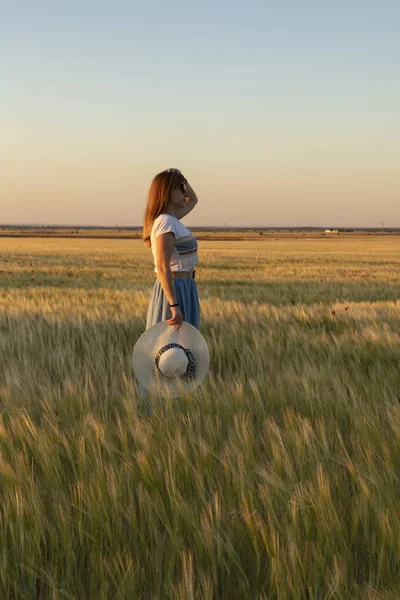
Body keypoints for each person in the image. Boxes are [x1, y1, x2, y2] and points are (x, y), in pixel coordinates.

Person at [137, 168, 200, 414]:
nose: (183, 191)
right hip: (175, 291)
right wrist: (174, 305)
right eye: (177, 187)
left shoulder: (172, 218)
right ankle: (153, 413)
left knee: (182, 353)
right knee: (166, 352)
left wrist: (181, 177)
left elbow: (193, 199)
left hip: (185, 288)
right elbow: (163, 267)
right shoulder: (164, 222)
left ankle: (174, 411)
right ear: (166, 192)